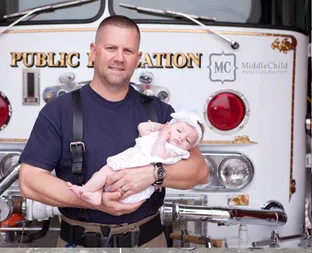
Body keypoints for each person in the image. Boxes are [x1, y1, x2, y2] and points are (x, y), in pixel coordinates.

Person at [18, 15, 208, 248]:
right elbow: (29, 181)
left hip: (148, 242)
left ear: (138, 59)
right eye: (111, 48)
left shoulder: (160, 112)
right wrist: (95, 202)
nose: (119, 58)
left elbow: (199, 171)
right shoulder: (58, 111)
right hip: (77, 244)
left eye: (128, 51)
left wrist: (153, 174)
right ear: (93, 51)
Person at [67, 110, 205, 206]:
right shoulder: (158, 135)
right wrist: (163, 127)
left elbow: (157, 155)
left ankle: (84, 190)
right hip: (125, 177)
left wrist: (163, 136)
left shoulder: (174, 151)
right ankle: (95, 194)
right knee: (101, 174)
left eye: (187, 141)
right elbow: (142, 127)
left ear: (189, 148)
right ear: (170, 126)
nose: (181, 138)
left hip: (133, 188)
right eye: (179, 131)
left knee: (105, 172)